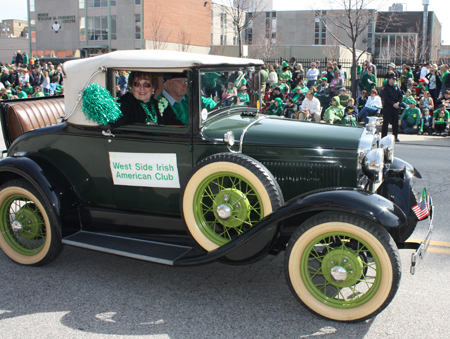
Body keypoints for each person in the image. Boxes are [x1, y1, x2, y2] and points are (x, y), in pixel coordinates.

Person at [111, 71, 183, 127]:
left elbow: (177, 126)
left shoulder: (160, 105)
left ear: (153, 88)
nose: (142, 88)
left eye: (146, 84)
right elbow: (116, 120)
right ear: (132, 87)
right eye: (137, 84)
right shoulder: (126, 102)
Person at [380, 74, 403, 141]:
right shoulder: (385, 87)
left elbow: (400, 96)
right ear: (389, 79)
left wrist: (398, 103)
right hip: (388, 106)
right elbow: (385, 97)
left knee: (395, 122)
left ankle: (395, 136)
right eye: (392, 79)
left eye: (394, 79)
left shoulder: (396, 87)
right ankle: (384, 137)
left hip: (395, 106)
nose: (394, 80)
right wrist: (392, 104)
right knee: (386, 122)